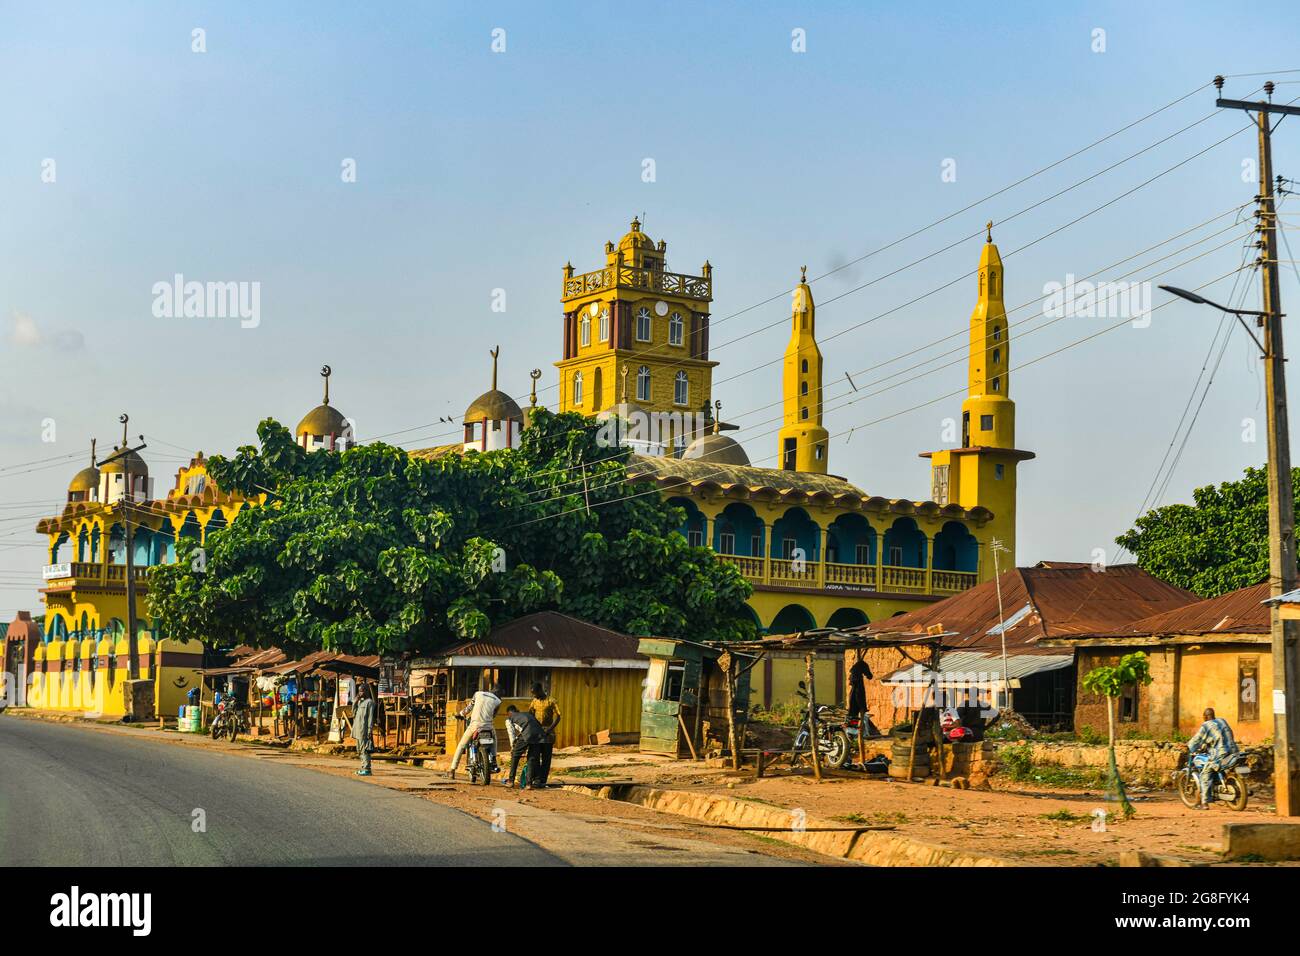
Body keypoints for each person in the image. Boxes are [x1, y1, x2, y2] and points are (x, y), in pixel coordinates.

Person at [1186, 707, 1240, 809]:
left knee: (1205, 773)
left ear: (1205, 717)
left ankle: (1204, 803)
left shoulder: (1206, 725)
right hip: (1233, 750)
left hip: (1221, 753)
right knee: (1215, 767)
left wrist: (1189, 746)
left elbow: (1197, 739)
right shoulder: (1222, 721)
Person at [449, 683, 503, 780]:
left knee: (461, 745)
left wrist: (460, 714)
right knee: (494, 739)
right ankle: (494, 759)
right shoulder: (498, 701)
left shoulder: (478, 694)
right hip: (488, 726)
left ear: (491, 690)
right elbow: (494, 715)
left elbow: (469, 708)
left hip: (475, 725)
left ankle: (452, 770)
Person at [502, 705, 544, 789]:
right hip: (539, 735)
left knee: (515, 755)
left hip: (527, 734)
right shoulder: (527, 714)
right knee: (531, 758)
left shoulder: (509, 719)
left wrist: (513, 747)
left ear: (509, 713)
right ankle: (528, 784)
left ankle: (511, 781)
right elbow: (534, 726)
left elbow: (511, 734)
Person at [528, 683, 562, 787]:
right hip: (537, 733)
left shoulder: (551, 700)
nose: (534, 696)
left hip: (548, 734)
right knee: (536, 757)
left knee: (546, 758)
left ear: (540, 690)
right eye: (533, 694)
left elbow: (558, 716)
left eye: (535, 693)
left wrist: (550, 728)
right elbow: (530, 714)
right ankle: (536, 779)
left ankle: (543, 780)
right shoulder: (534, 701)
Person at [352, 682, 375, 777]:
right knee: (359, 749)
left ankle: (367, 769)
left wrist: (369, 730)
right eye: (359, 691)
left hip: (364, 730)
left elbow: (370, 718)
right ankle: (363, 767)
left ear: (366, 691)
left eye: (362, 691)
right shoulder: (360, 702)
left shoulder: (370, 702)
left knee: (364, 749)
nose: (360, 693)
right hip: (357, 730)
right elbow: (353, 714)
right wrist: (355, 702)